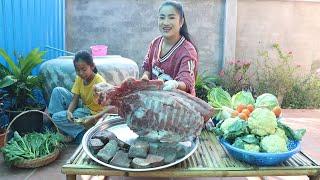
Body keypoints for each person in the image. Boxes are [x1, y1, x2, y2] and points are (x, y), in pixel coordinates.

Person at [48, 50, 108, 143]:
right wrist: (69, 111)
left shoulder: (99, 82)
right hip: (83, 106)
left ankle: (74, 133)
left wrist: (94, 118)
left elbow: (107, 109)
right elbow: (74, 100)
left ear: (92, 66)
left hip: (92, 114)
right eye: (77, 70)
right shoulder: (80, 78)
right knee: (57, 91)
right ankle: (63, 131)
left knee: (56, 117)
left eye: (84, 69)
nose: (81, 73)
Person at [141, 0, 198, 96]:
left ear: (181, 22)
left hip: (179, 105)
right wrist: (145, 77)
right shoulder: (155, 43)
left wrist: (175, 84)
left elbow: (187, 82)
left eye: (171, 18)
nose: (166, 22)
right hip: (157, 99)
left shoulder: (188, 51)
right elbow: (147, 67)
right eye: (162, 17)